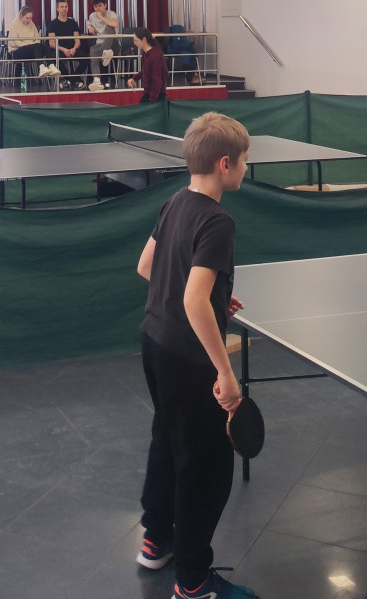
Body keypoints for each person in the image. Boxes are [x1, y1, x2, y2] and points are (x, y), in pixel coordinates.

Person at [135, 113, 259, 599]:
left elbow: (147, 266)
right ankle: (193, 581)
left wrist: (212, 298)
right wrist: (225, 371)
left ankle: (156, 540)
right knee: (205, 465)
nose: (246, 168)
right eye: (244, 161)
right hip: (189, 360)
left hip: (154, 342)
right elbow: (191, 299)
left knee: (166, 439)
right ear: (225, 164)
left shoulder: (174, 202)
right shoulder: (218, 221)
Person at [47, 0, 84, 88]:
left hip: (72, 49)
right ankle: (71, 79)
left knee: (87, 58)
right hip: (60, 49)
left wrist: (74, 49)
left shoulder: (73, 23)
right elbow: (52, 43)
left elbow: (77, 41)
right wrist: (64, 50)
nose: (64, 9)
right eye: (62, 7)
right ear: (57, 9)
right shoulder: (52, 24)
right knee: (54, 58)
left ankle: (73, 78)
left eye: (66, 6)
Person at [6, 6, 47, 83]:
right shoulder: (14, 24)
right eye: (27, 18)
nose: (29, 20)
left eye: (31, 18)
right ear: (21, 16)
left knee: (45, 47)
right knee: (36, 46)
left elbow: (37, 38)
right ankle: (41, 67)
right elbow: (15, 42)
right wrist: (29, 44)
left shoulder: (31, 24)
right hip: (17, 51)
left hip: (32, 49)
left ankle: (49, 68)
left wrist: (31, 44)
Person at [87, 0, 120, 90]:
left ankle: (106, 52)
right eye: (95, 6)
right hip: (100, 44)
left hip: (113, 44)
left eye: (100, 6)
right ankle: (97, 81)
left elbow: (115, 24)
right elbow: (88, 23)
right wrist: (89, 26)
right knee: (93, 50)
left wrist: (101, 17)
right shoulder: (92, 16)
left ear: (105, 5)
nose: (98, 8)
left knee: (110, 27)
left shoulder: (111, 14)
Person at [127, 27, 167, 103]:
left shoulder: (154, 56)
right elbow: (145, 71)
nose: (134, 43)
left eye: (136, 40)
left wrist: (152, 100)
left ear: (144, 40)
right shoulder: (147, 54)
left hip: (156, 96)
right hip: (149, 94)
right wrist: (134, 79)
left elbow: (157, 80)